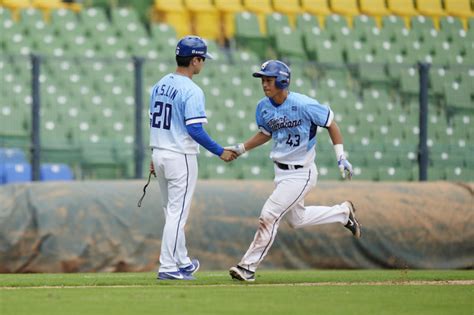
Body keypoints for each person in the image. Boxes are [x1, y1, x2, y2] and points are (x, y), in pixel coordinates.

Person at [227, 60, 361, 282]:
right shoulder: (263, 107)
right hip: (281, 172)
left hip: (302, 172)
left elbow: (331, 124)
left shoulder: (304, 104)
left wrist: (341, 156)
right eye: (262, 80)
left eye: (268, 80)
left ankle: (247, 267)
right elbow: (266, 132)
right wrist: (241, 148)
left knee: (268, 215)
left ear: (282, 80)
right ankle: (343, 213)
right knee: (297, 220)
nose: (264, 84)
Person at [149, 35, 237, 280]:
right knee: (177, 214)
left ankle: (183, 261)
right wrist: (220, 150)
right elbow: (195, 129)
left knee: (171, 212)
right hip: (180, 156)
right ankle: (168, 266)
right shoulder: (191, 90)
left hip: (160, 152)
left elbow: (155, 123)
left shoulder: (159, 84)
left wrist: (154, 154)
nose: (203, 63)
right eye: (202, 59)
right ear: (195, 60)